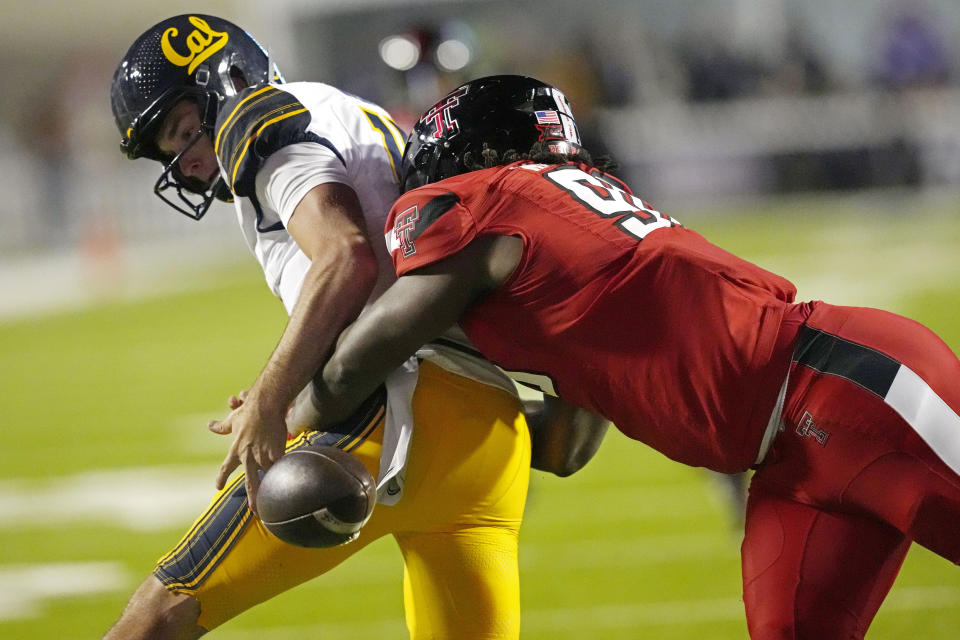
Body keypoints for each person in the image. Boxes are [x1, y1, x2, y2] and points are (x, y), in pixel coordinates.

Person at [285, 75, 958, 639]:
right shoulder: (560, 241)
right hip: (788, 461)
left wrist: (282, 419)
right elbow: (566, 449)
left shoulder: (482, 203)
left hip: (848, 391)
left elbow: (353, 362)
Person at [105, 17, 607, 640]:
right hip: (489, 432)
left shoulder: (271, 127)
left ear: (225, 84)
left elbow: (344, 257)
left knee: (157, 616)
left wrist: (270, 396)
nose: (186, 163)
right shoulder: (347, 110)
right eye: (168, 151)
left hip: (396, 413)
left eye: (185, 133)